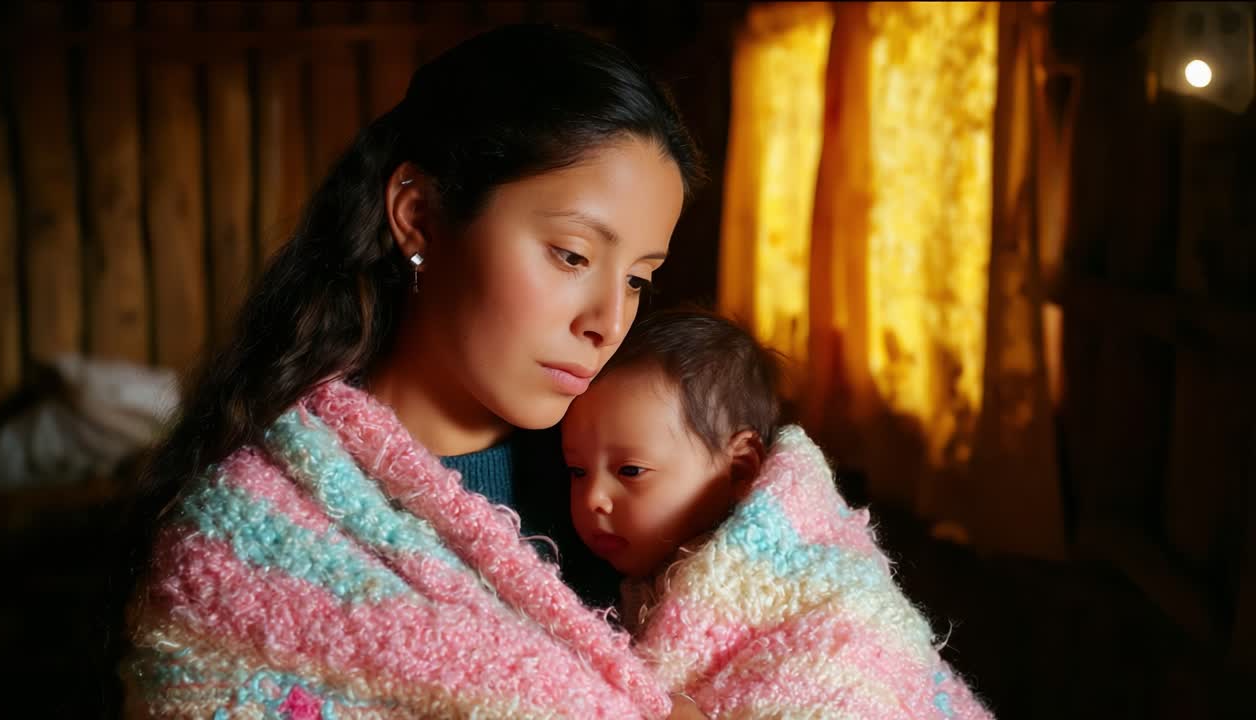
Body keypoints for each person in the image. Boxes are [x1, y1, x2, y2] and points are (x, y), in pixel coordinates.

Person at [118, 24, 706, 718]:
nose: (607, 321)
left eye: (639, 279)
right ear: (420, 217)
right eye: (572, 256)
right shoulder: (242, 545)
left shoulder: (643, 477)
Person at [564, 309, 994, 719]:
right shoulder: (635, 571)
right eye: (577, 471)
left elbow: (845, 677)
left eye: (630, 471)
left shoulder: (810, 580)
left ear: (740, 466)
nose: (593, 498)